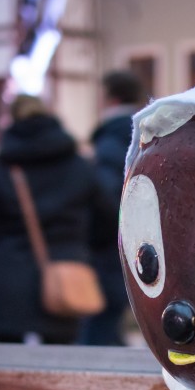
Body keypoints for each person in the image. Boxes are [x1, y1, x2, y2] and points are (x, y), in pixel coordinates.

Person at [0, 95, 102, 344]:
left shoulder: (7, 169)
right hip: (65, 274)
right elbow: (107, 219)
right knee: (61, 362)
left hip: (7, 281)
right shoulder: (78, 165)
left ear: (12, 120)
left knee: (9, 364)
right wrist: (80, 248)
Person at [78, 70, 145, 346]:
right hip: (139, 247)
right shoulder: (145, 136)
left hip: (109, 254)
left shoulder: (108, 143)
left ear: (111, 98)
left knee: (97, 337)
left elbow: (108, 202)